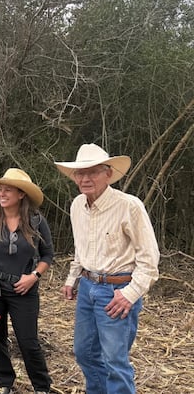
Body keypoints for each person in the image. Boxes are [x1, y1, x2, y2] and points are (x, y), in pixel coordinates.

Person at [55, 143, 160, 394]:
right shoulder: (77, 205)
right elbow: (82, 247)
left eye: (93, 172)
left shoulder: (129, 206)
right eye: (80, 173)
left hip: (117, 291)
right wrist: (72, 278)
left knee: (115, 361)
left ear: (108, 174)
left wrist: (130, 294)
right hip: (88, 287)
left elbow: (149, 259)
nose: (85, 178)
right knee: (85, 354)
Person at [0, 168, 54, 394]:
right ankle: (3, 382)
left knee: (28, 341)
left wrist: (34, 277)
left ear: (21, 194)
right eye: (0, 190)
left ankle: (42, 387)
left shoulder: (36, 221)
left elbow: (47, 255)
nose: (1, 194)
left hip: (24, 290)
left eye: (8, 190)